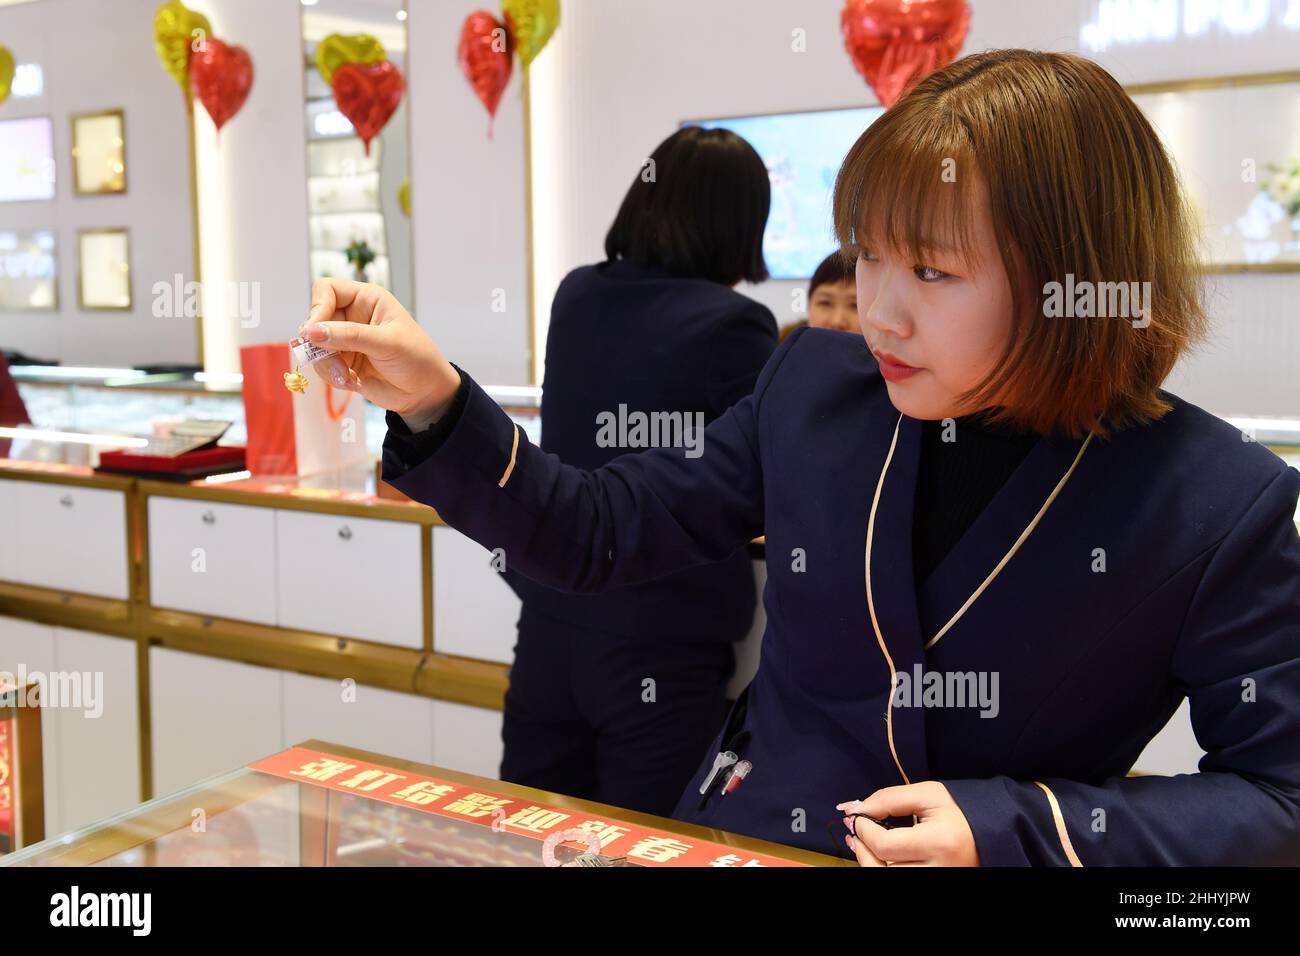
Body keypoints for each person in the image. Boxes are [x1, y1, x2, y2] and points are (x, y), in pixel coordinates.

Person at [304, 49, 1300, 865]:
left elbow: (1276, 798)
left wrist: (1017, 825)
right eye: (866, 253)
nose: (878, 308)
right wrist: (436, 398)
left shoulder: (1214, 504)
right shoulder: (817, 390)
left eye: (932, 270)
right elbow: (597, 530)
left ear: (1072, 279)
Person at [494, 127, 777, 815]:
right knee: (649, 843)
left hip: (552, 619)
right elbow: (765, 476)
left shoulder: (576, 295)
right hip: (663, 631)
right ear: (740, 223)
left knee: (535, 834)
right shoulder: (736, 323)